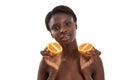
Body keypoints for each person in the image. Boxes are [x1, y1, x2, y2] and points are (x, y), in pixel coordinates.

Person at [37, 5, 105, 80]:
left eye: (67, 24)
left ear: (75, 25)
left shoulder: (93, 60)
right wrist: (53, 72)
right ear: (51, 34)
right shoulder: (47, 61)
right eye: (56, 28)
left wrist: (85, 72)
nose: (62, 30)